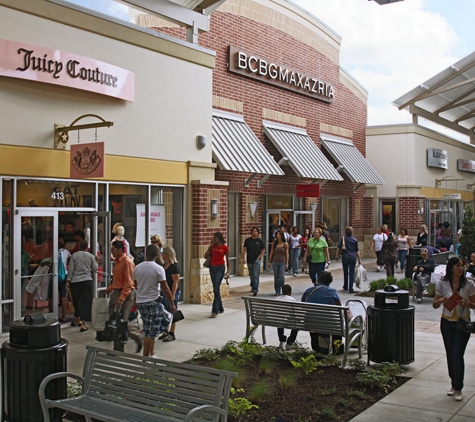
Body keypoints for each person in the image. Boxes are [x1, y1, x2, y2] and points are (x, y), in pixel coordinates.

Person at [433, 257, 475, 402]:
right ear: (451, 268)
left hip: (462, 323)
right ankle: (453, 384)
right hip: (447, 322)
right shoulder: (443, 284)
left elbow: (474, 304)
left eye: (462, 266)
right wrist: (441, 300)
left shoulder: (469, 284)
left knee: (457, 354)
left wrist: (466, 303)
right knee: (450, 355)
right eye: (458, 266)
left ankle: (459, 387)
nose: (461, 268)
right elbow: (434, 304)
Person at [134, 244, 175, 357]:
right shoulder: (158, 269)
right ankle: (146, 359)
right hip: (152, 301)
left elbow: (135, 285)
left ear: (146, 254)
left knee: (149, 327)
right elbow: (166, 288)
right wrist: (171, 302)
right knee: (150, 333)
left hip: (141, 302)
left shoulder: (137, 267)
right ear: (157, 255)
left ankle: (152, 353)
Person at [106, 240, 143, 352]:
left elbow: (129, 283)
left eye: (113, 250)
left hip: (125, 294)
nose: (111, 252)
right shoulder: (117, 262)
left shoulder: (127, 262)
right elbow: (119, 279)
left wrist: (121, 298)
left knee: (123, 320)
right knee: (114, 320)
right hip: (117, 291)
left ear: (120, 250)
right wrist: (111, 288)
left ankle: (137, 337)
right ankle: (118, 347)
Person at [301, 271, 342, 354]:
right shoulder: (332, 291)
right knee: (337, 326)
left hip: (310, 322)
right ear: (329, 282)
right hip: (327, 323)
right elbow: (339, 307)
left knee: (313, 319)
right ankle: (337, 348)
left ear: (318, 280)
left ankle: (316, 347)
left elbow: (303, 304)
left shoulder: (308, 291)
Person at [67, 240, 97, 332]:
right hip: (87, 280)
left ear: (79, 246)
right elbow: (94, 269)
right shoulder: (91, 256)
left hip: (75, 281)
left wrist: (68, 281)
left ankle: (77, 320)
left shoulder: (74, 256)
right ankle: (83, 324)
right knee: (86, 302)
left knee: (77, 300)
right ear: (87, 247)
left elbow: (71, 269)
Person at [204, 232, 230, 318]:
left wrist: (228, 271)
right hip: (212, 268)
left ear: (219, 238)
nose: (214, 239)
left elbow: (228, 259)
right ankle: (221, 308)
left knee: (216, 288)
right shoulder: (213, 247)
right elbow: (205, 256)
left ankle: (215, 311)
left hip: (220, 268)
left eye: (215, 238)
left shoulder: (224, 248)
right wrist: (210, 247)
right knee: (216, 289)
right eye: (213, 237)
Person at [161, 245, 180, 342]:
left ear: (168, 255)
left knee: (173, 311)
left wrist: (172, 296)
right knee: (165, 312)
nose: (162, 255)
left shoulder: (174, 266)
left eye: (163, 253)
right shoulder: (164, 265)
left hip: (172, 292)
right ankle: (165, 330)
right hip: (164, 291)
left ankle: (172, 333)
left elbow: (175, 282)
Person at [335, 226, 361, 293]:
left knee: (345, 272)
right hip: (352, 257)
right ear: (352, 232)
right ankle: (350, 288)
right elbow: (357, 251)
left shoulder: (343, 239)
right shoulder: (355, 240)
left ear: (345, 232)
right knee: (351, 273)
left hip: (345, 257)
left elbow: (338, 247)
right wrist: (359, 259)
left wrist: (337, 255)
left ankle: (345, 286)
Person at [242, 227, 265, 296]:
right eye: (253, 231)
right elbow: (244, 249)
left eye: (256, 231)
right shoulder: (247, 241)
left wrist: (259, 257)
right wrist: (244, 258)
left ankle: (255, 289)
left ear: (258, 233)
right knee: (251, 275)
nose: (254, 232)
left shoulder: (260, 241)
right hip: (249, 260)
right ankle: (253, 285)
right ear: (251, 232)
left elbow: (263, 250)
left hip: (257, 260)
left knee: (256, 275)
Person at [276, 284, 298, 350]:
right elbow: (295, 313)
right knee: (297, 323)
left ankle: (282, 340)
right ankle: (290, 342)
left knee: (280, 319)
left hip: (276, 320)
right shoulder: (292, 300)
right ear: (290, 292)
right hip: (288, 322)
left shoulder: (277, 299)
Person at [268, 230, 289, 295]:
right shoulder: (274, 244)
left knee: (281, 278)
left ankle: (282, 288)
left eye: (279, 234)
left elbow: (286, 254)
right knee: (276, 277)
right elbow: (271, 253)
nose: (278, 236)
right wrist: (269, 261)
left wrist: (287, 263)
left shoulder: (285, 244)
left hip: (282, 262)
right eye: (277, 234)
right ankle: (277, 291)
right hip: (275, 262)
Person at [57, 238, 71, 322]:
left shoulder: (55, 252)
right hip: (65, 274)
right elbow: (69, 262)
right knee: (63, 296)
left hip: (55, 275)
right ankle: (64, 315)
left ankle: (53, 315)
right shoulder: (67, 252)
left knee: (52, 295)